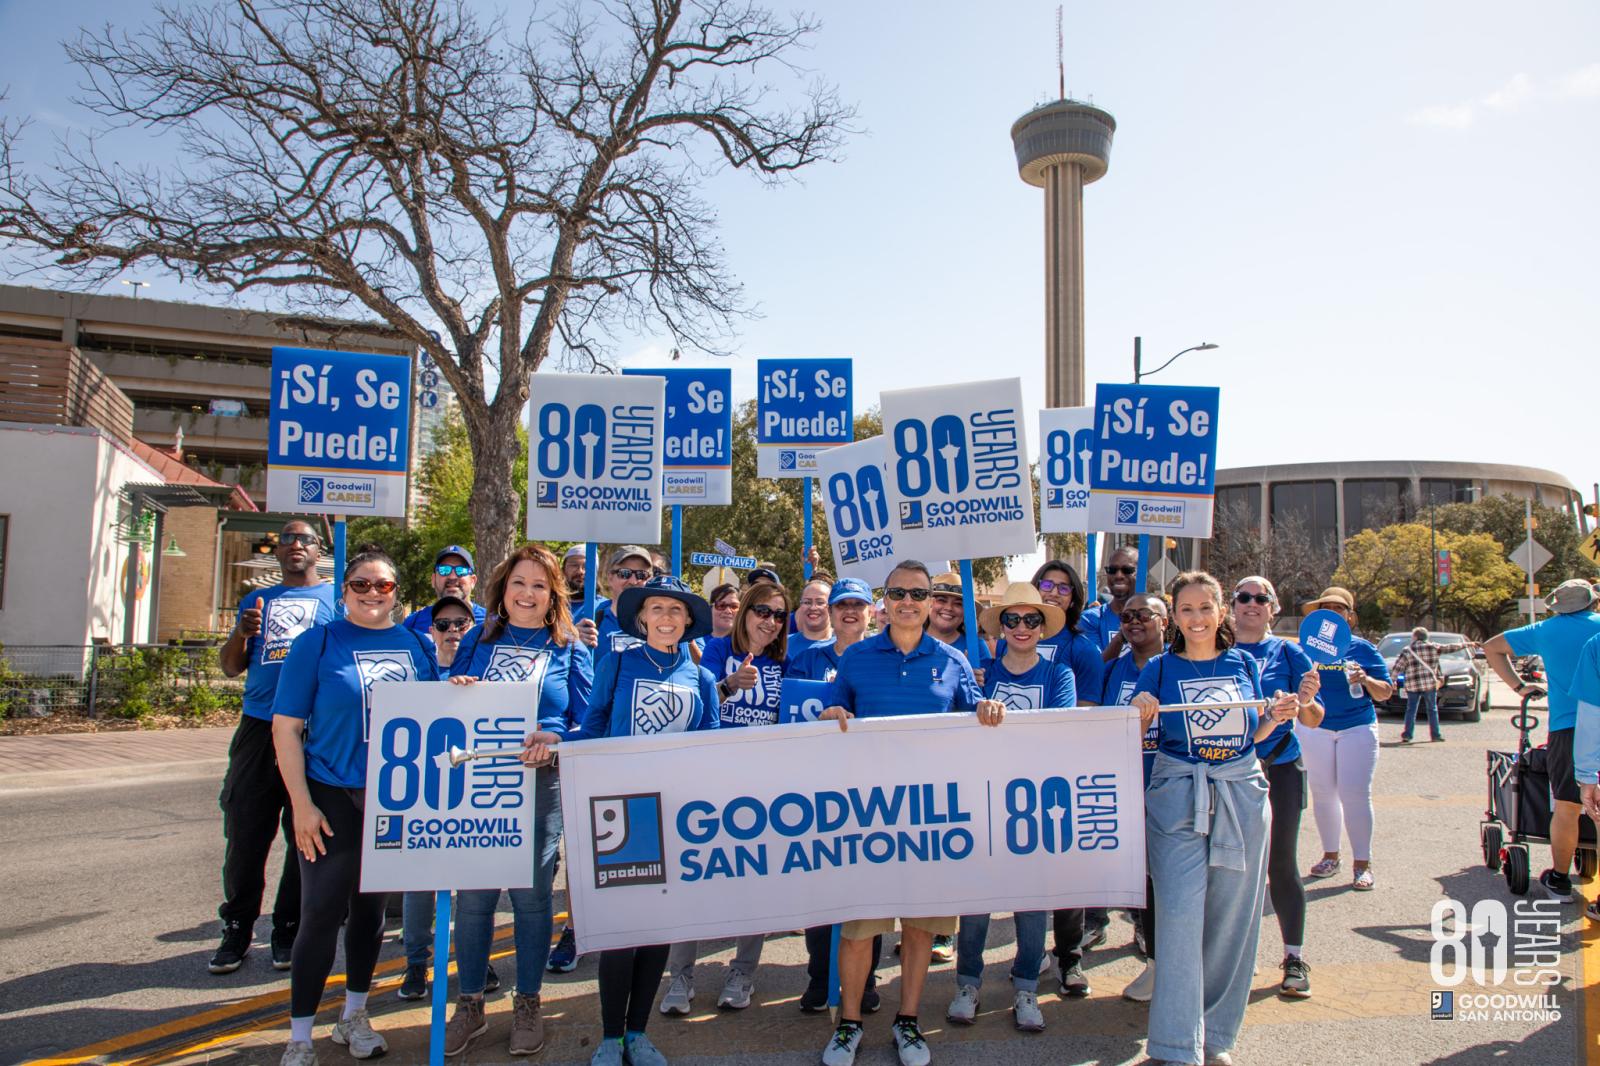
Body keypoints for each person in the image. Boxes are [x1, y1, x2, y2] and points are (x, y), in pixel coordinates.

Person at [521, 576, 720, 1066]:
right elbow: (592, 729)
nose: (667, 618)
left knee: (656, 930)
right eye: (657, 609)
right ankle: (610, 1036)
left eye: (676, 611)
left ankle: (638, 1032)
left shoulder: (702, 678)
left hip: (674, 815)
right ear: (642, 618)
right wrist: (559, 743)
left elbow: (711, 746)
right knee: (621, 930)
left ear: (688, 621)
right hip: (619, 811)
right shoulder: (617, 663)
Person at [815, 559, 1005, 1066]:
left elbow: (974, 716)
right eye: (897, 592)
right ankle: (848, 1024)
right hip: (869, 817)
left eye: (918, 594)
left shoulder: (953, 660)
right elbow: (836, 709)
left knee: (920, 928)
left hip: (930, 820)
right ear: (885, 599)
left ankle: (908, 1022)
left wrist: (986, 709)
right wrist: (833, 713)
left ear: (930, 603)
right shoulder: (856, 659)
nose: (907, 601)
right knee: (859, 930)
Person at [272, 546, 440, 1066]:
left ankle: (354, 1016)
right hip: (328, 792)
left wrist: (458, 689)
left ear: (396, 594)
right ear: (344, 592)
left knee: (369, 915)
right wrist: (300, 804)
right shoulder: (318, 642)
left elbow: (435, 717)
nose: (372, 593)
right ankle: (300, 1036)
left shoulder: (416, 647)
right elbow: (286, 728)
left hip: (390, 799)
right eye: (361, 585)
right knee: (321, 912)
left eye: (383, 586)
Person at [1130, 570, 1298, 1066]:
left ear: (1221, 612)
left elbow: (1256, 733)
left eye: (1206, 607)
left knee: (1232, 921)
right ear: (1173, 616)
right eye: (1187, 609)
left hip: (1241, 792)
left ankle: (1217, 1038)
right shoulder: (1159, 669)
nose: (1197, 618)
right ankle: (1177, 1046)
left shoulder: (1244, 662)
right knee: (1180, 916)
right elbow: (1138, 735)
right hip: (1177, 795)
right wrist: (1140, 711)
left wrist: (1277, 714)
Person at [439, 545, 594, 1057]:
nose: (527, 594)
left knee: (531, 901)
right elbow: (439, 705)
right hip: (478, 788)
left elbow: (585, 722)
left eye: (539, 585)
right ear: (502, 591)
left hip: (538, 789)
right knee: (476, 900)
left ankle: (528, 1001)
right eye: (518, 583)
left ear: (554, 596)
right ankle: (470, 1005)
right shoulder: (479, 640)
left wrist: (557, 740)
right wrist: (455, 688)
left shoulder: (569, 646)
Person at [947, 581, 1074, 1033]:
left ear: (1043, 627)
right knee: (977, 900)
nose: (1022, 627)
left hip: (1035, 803)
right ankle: (967, 982)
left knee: (1031, 901)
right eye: (1013, 619)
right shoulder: (979, 674)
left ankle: (1025, 986)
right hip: (983, 798)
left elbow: (1058, 731)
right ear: (1000, 626)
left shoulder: (1059, 676)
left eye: (1032, 620)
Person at [212, 520, 337, 975]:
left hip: (311, 730)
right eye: (287, 539)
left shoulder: (334, 602)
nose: (295, 545)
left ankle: (286, 928)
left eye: (304, 539)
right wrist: (242, 634)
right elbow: (229, 668)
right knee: (245, 831)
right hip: (259, 728)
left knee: (304, 835)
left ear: (318, 549)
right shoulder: (255, 601)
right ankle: (237, 929)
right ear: (278, 550)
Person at [659, 582, 790, 1014]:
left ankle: (743, 972)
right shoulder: (715, 652)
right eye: (762, 612)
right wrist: (729, 684)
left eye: (777, 615)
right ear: (745, 613)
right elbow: (697, 708)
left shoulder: (786, 661)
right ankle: (680, 976)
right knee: (695, 877)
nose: (769, 621)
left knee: (752, 880)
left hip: (761, 785)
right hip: (708, 780)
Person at [783, 577, 885, 1013]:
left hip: (868, 790)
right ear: (830, 611)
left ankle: (865, 982)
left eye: (857, 605)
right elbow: (788, 717)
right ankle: (818, 979)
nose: (849, 612)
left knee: (868, 894)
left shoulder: (882, 657)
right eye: (841, 604)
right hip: (817, 789)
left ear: (868, 613)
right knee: (820, 892)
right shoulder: (805, 659)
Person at [1231, 576, 1324, 999]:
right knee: (1232, 867)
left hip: (1282, 767)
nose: (1251, 604)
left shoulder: (1289, 651)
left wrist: (1304, 700)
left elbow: (1314, 719)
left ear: (1273, 607)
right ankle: (1233, 958)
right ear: (1231, 605)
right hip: (1231, 770)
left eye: (1260, 598)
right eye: (1243, 597)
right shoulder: (1219, 650)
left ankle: (1294, 956)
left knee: (1280, 864)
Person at [1485, 578, 1600, 902]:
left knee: (1567, 806)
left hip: (1567, 728)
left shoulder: (1546, 630)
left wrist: (1520, 687)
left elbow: (1491, 647)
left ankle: (1560, 880)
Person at [397, 595, 479, 1002]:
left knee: (472, 886)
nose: (452, 632)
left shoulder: (480, 668)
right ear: (431, 631)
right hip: (423, 795)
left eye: (460, 625)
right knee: (420, 884)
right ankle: (416, 962)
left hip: (472, 793)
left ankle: (475, 962)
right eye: (443, 625)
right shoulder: (417, 672)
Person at [1295, 587, 1393, 893]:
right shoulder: (1304, 649)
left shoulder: (1362, 649)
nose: (1331, 614)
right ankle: (1330, 856)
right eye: (1325, 608)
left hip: (1357, 727)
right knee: (1323, 794)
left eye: (1338, 609)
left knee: (1355, 794)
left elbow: (1386, 691)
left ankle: (1362, 864)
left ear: (1350, 616)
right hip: (1316, 728)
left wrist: (1365, 679)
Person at [1098, 592, 1169, 1002]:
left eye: (1144, 614)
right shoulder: (1113, 670)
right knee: (1141, 880)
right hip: (1124, 788)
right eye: (1127, 616)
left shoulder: (1175, 666)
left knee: (1169, 880)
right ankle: (1156, 964)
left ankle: (1179, 963)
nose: (1135, 621)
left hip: (1169, 787)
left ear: (1165, 621)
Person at [1392, 627, 1475, 744]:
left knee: (1411, 710)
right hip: (1429, 684)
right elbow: (1451, 647)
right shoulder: (1434, 647)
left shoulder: (1407, 650)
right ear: (1426, 637)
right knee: (1432, 709)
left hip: (1412, 684)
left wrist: (1393, 680)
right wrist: (1468, 644)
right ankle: (1435, 735)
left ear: (1415, 637)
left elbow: (1398, 667)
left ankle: (1408, 735)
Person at [402, 545, 487, 637]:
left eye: (461, 570)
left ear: (473, 581)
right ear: (433, 580)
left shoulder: (492, 622)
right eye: (444, 570)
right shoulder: (413, 624)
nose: (452, 577)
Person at [592, 546, 656, 664]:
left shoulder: (662, 623)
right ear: (610, 577)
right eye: (624, 573)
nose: (633, 581)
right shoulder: (594, 622)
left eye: (641, 575)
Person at [1077, 545, 1140, 658]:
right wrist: (1122, 636)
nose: (1118, 575)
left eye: (1127, 570)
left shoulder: (1153, 619)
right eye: (1112, 570)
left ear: (1141, 574)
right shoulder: (1090, 619)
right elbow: (1095, 668)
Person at [790, 578, 835, 661]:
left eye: (820, 602)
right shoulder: (784, 645)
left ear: (831, 607)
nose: (813, 607)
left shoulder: (845, 645)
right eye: (807, 602)